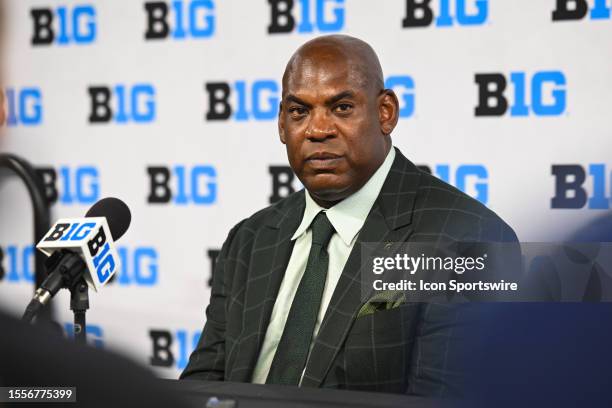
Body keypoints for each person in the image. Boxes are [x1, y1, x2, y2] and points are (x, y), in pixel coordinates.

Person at [181, 34, 517, 395]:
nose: (318, 130)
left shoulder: (465, 238)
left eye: (341, 108)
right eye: (299, 111)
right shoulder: (250, 239)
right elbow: (204, 383)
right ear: (282, 124)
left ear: (385, 112)